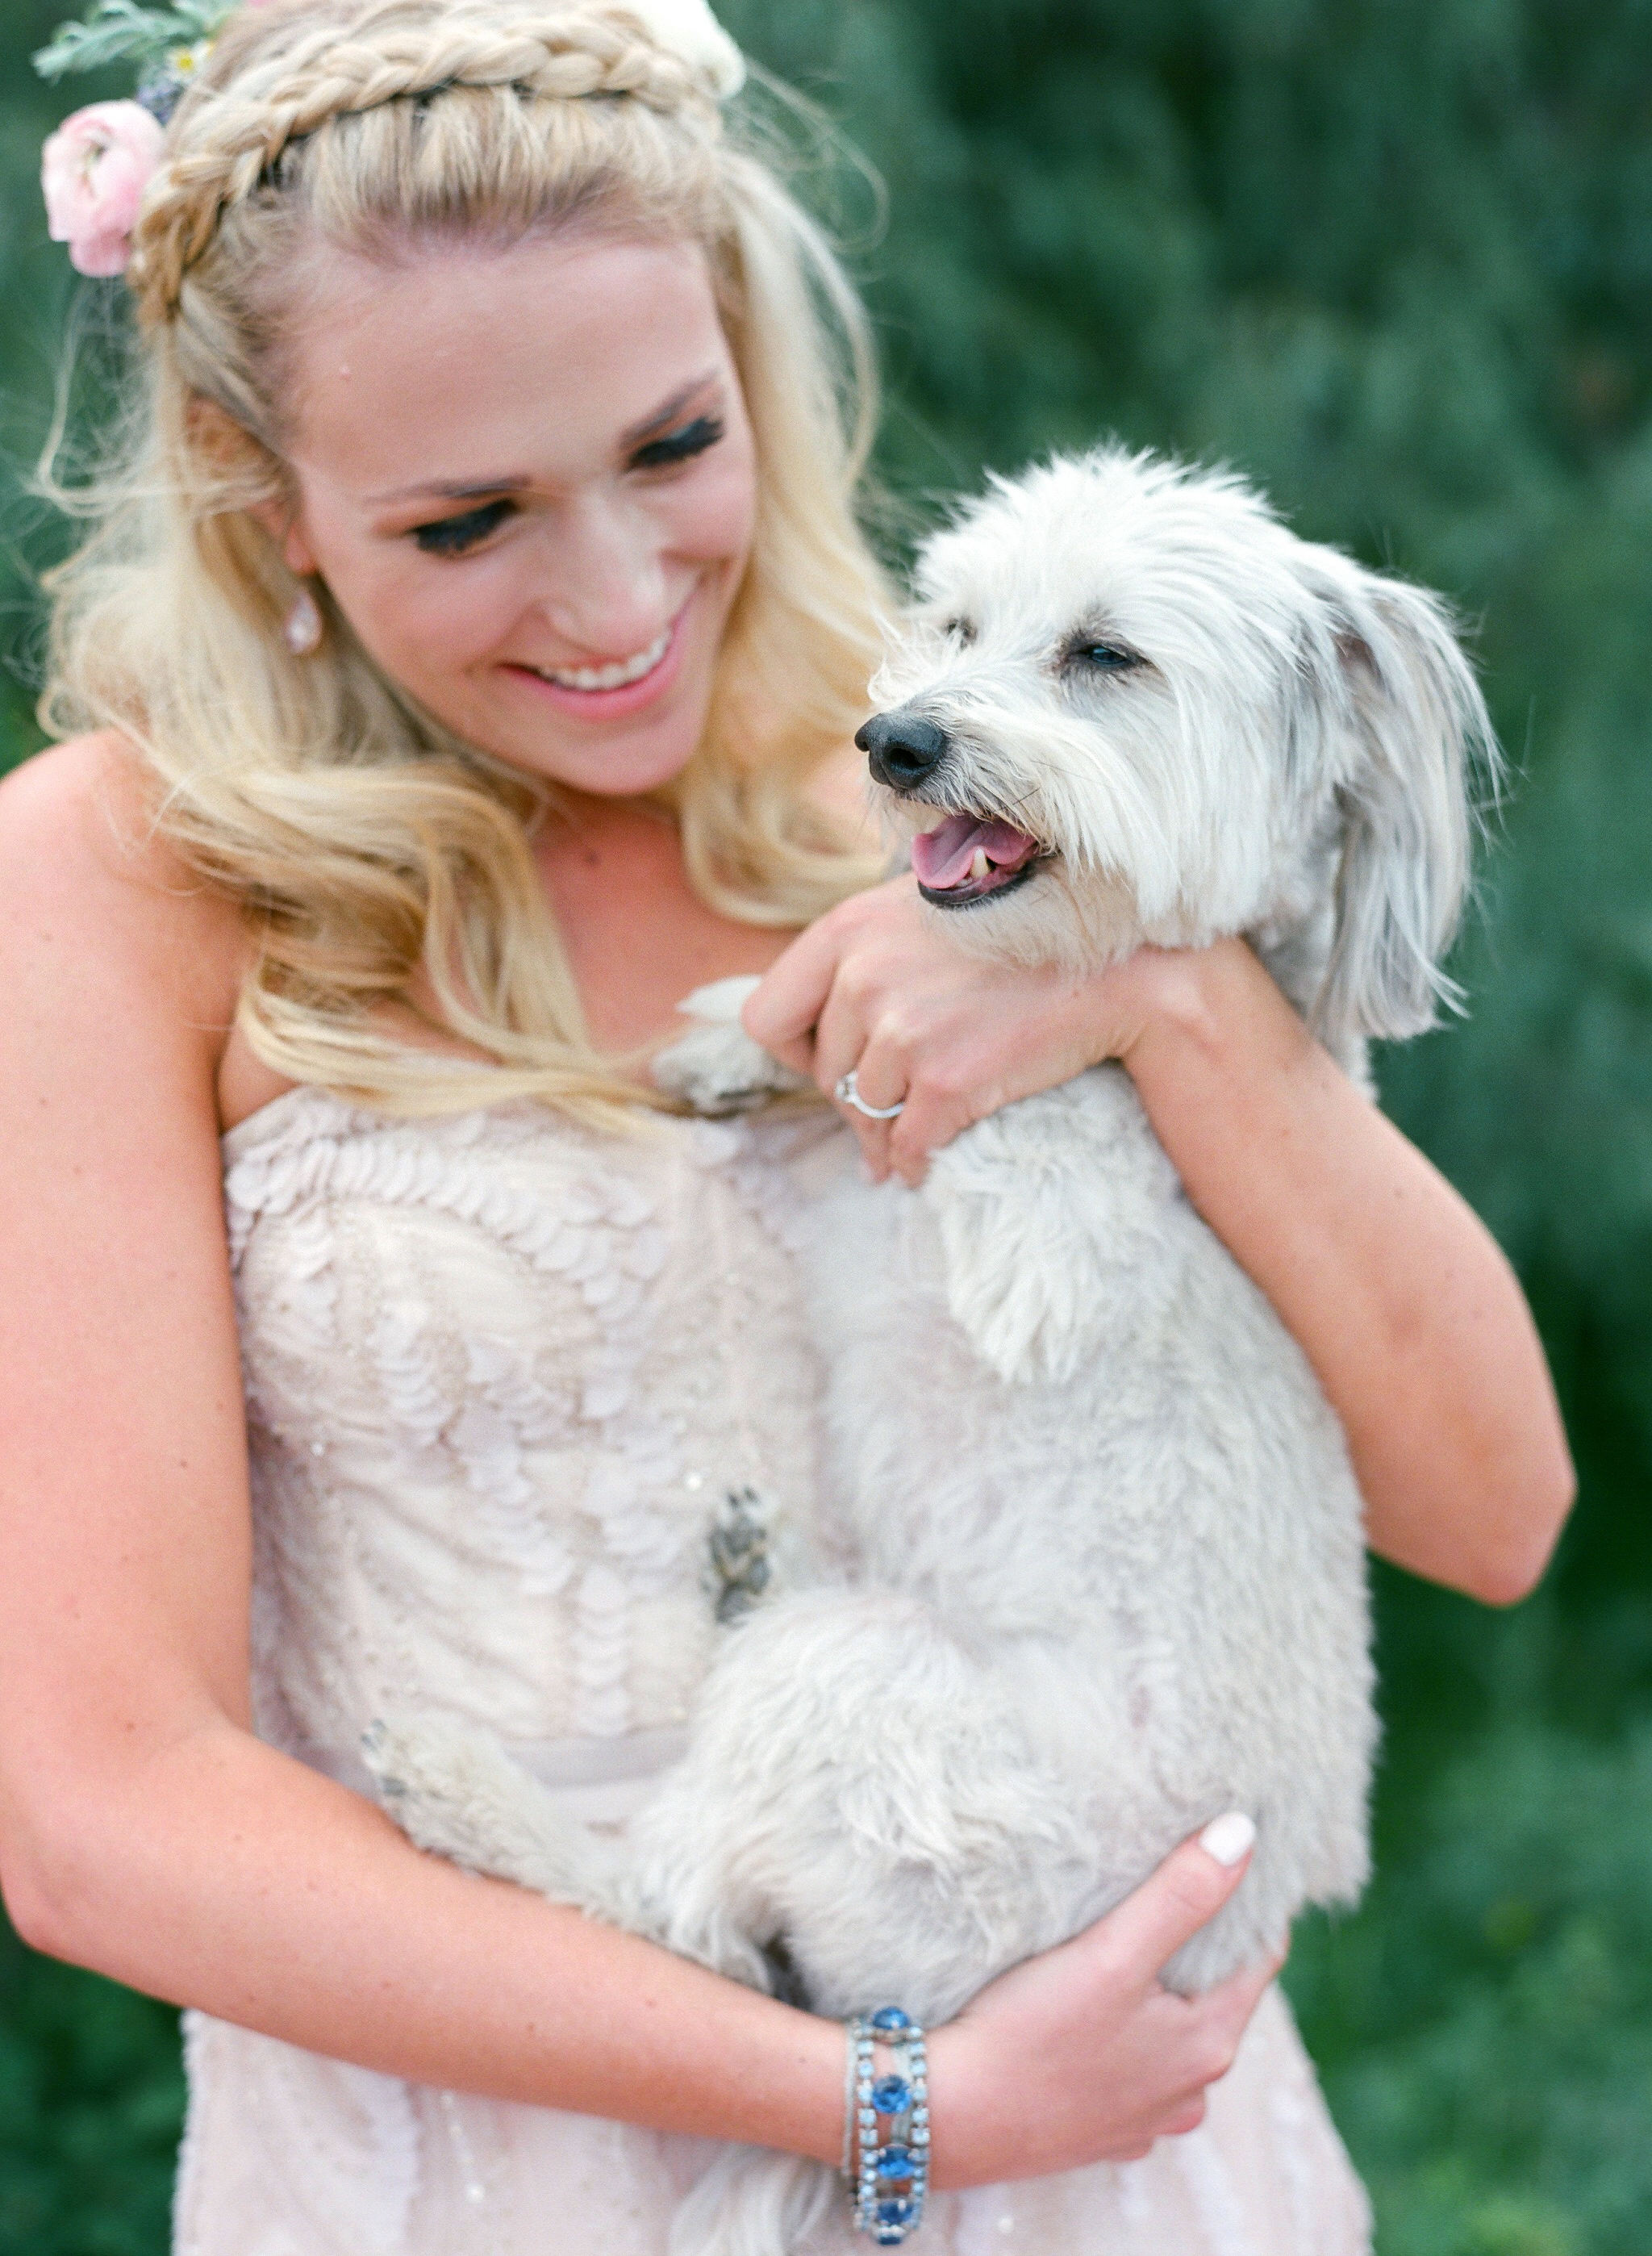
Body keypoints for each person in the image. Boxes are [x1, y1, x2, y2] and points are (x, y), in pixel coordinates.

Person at [0, 2, 1574, 2250]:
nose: (620, 595)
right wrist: (881, 2097)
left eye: (673, 445)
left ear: (750, 355)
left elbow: (1494, 1503)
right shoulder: (104, 887)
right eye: (469, 521)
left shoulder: (961, 778)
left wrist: (1158, 999)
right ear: (277, 509)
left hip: (1115, 2150)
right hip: (506, 2169)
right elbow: (98, 1809)